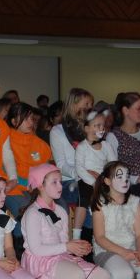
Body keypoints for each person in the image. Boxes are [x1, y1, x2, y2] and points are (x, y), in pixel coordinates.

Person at [21, 164, 110, 279]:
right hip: (40, 260)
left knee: (104, 278)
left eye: (60, 182)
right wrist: (67, 247)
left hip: (59, 256)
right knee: (77, 277)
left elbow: (63, 243)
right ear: (40, 186)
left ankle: (68, 277)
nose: (60, 186)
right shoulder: (32, 213)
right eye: (54, 182)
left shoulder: (61, 211)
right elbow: (36, 250)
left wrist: (77, 248)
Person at [91, 161, 140, 279]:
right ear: (107, 181)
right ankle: (115, 270)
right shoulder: (100, 204)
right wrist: (123, 252)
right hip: (107, 250)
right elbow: (100, 238)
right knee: (122, 278)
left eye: (127, 176)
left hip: (132, 249)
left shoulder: (135, 202)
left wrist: (139, 252)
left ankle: (132, 272)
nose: (125, 180)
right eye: (119, 177)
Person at [49, 88, 93, 238]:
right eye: (86, 104)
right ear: (73, 105)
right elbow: (61, 165)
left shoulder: (91, 129)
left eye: (91, 104)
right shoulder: (57, 131)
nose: (90, 108)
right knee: (88, 191)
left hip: (92, 179)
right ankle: (85, 238)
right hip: (69, 182)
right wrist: (81, 173)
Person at [6, 102, 52, 233]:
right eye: (25, 118)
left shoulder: (40, 144)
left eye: (31, 118)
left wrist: (38, 186)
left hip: (37, 188)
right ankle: (22, 243)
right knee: (27, 209)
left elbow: (47, 170)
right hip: (13, 189)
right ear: (14, 121)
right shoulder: (5, 142)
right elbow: (4, 172)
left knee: (60, 206)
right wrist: (27, 184)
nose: (30, 122)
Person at [75, 108, 116, 209]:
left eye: (103, 125)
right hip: (86, 180)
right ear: (87, 129)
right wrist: (94, 183)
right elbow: (79, 168)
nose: (102, 128)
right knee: (83, 197)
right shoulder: (82, 147)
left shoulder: (106, 146)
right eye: (98, 125)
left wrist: (103, 179)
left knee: (113, 194)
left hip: (103, 180)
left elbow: (113, 165)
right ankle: (80, 219)